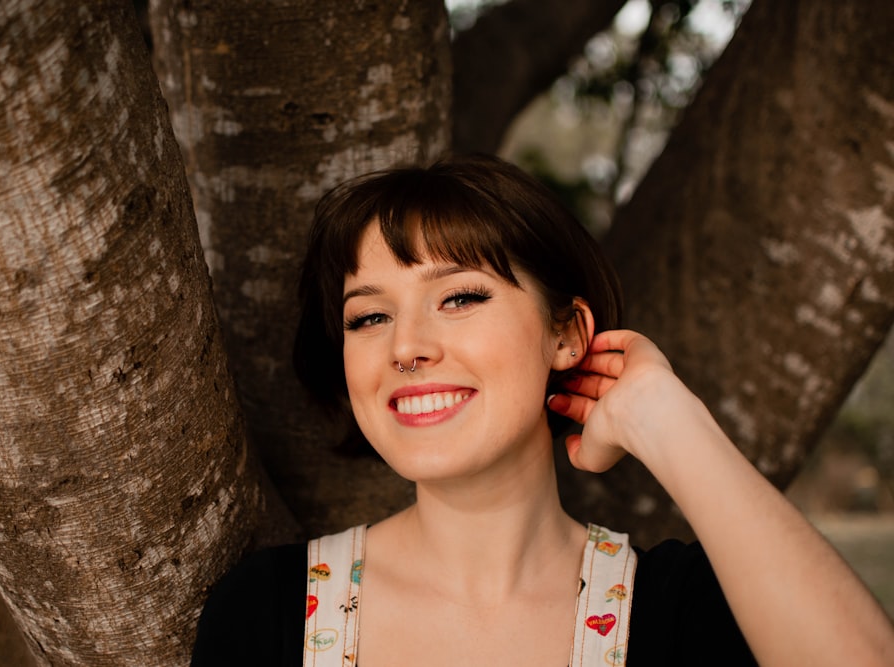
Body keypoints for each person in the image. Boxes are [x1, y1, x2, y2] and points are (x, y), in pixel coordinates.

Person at [191, 154, 894, 666]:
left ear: (565, 334)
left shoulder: (678, 611)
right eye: (369, 316)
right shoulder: (265, 615)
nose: (406, 346)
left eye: (459, 297)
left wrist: (665, 416)